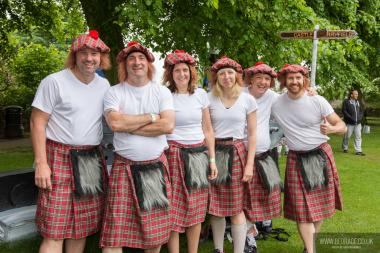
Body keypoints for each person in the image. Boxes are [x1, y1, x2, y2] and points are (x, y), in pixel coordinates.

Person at [30, 30, 111, 253]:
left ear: (101, 58)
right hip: (58, 158)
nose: (89, 58)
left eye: (94, 53)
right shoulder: (54, 82)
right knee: (54, 230)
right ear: (74, 55)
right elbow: (37, 122)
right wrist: (41, 163)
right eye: (83, 52)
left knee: (81, 229)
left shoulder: (103, 86)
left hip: (90, 160)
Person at [100, 41, 175, 253]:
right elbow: (115, 123)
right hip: (124, 167)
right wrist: (152, 117)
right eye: (131, 58)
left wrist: (128, 125)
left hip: (155, 168)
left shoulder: (161, 92)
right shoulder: (114, 92)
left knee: (155, 233)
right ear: (124, 65)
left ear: (149, 64)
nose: (136, 62)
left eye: (141, 58)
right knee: (115, 234)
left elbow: (167, 125)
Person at [272, 64, 346, 253]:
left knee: (319, 206)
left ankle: (308, 248)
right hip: (296, 158)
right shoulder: (276, 103)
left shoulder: (317, 100)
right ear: (284, 81)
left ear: (304, 79)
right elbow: (253, 93)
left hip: (320, 155)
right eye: (290, 78)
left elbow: (342, 126)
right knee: (301, 211)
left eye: (298, 78)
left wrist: (332, 129)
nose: (294, 82)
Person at [163, 49, 218, 253]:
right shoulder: (165, 95)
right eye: (177, 70)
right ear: (171, 73)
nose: (181, 74)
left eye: (185, 70)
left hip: (197, 155)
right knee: (173, 207)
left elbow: (208, 129)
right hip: (173, 154)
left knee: (195, 207)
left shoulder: (201, 95)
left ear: (191, 72)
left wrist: (212, 160)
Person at [208, 56, 257, 253]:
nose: (226, 77)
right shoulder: (208, 98)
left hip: (238, 152)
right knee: (216, 206)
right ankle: (218, 249)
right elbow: (207, 129)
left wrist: (249, 164)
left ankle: (238, 250)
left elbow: (252, 134)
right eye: (222, 73)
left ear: (237, 75)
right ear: (216, 77)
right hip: (215, 152)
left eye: (230, 73)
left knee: (237, 207)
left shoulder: (247, 99)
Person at [242, 62, 282, 253]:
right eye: (259, 78)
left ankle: (252, 229)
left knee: (258, 197)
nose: (264, 82)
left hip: (262, 154)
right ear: (251, 78)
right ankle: (248, 237)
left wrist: (310, 93)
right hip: (239, 154)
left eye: (267, 79)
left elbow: (292, 100)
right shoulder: (239, 93)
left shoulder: (272, 97)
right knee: (241, 199)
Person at [342, 89, 365, 155]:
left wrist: (360, 118)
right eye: (355, 94)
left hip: (358, 123)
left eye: (357, 94)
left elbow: (361, 111)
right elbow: (344, 111)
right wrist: (350, 118)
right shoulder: (346, 102)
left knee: (358, 137)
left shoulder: (358, 102)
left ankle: (358, 151)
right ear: (351, 95)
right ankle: (345, 147)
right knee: (347, 136)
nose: (357, 95)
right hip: (349, 123)